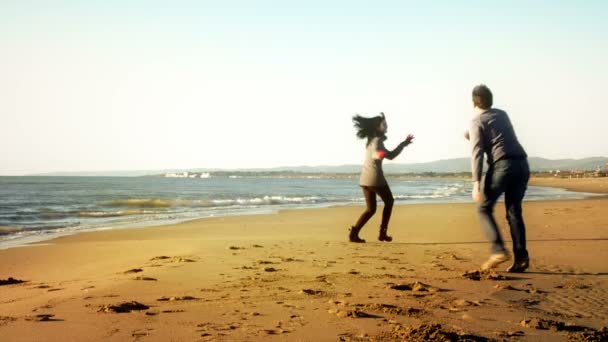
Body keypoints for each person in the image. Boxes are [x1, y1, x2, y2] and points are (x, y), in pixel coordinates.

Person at [466, 84, 530, 272]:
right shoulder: (502, 114)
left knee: (484, 208)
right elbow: (498, 137)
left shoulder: (476, 121)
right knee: (514, 212)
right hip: (521, 164)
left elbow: (477, 152)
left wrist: (476, 184)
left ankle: (498, 249)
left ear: (473, 102)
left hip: (502, 166)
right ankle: (521, 259)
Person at [350, 112, 414, 243]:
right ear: (377, 127)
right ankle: (382, 233)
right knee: (389, 201)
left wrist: (402, 144)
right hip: (375, 178)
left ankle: (354, 233)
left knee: (371, 209)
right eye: (384, 124)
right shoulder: (377, 141)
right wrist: (381, 153)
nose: (387, 126)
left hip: (364, 179)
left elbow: (386, 155)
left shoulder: (371, 140)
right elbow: (380, 154)